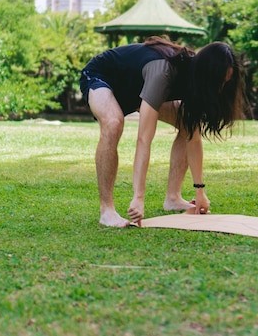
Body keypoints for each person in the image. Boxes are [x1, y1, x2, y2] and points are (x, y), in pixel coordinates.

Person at [79, 36, 245, 227]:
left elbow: (194, 139)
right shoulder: (163, 72)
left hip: (137, 88)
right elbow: (144, 139)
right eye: (218, 82)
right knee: (113, 122)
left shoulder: (193, 77)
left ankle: (173, 198)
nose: (220, 89)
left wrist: (200, 192)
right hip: (103, 76)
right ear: (206, 75)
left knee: (187, 123)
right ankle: (107, 210)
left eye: (225, 83)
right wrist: (138, 197)